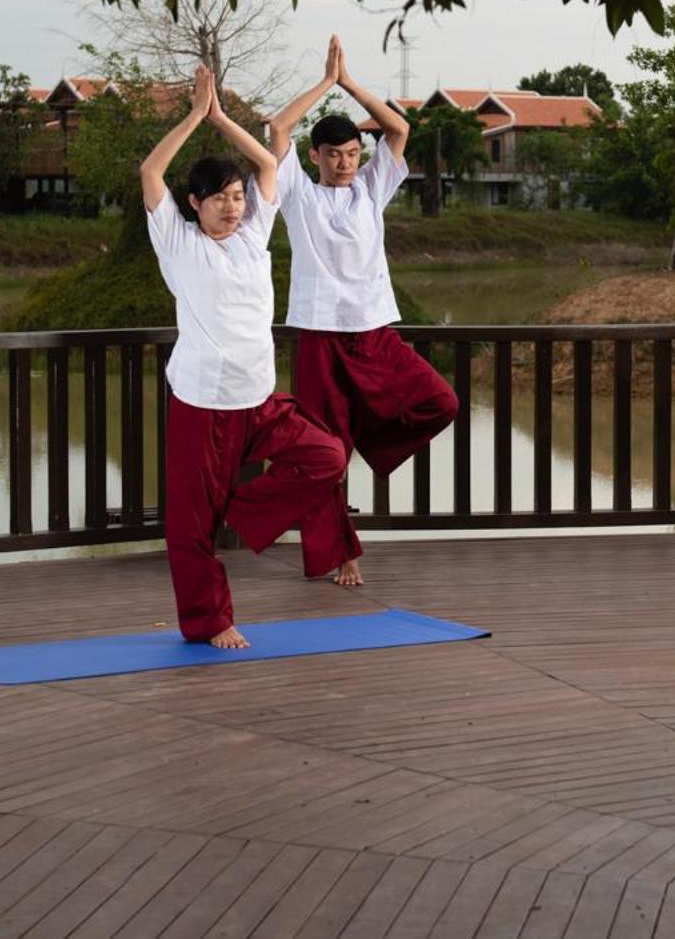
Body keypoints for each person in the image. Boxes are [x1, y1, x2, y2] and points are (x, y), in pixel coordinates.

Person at [141, 64, 354, 648]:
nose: (233, 208)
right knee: (189, 529)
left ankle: (243, 514)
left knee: (327, 457)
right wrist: (193, 117)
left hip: (258, 402)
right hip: (202, 406)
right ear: (195, 204)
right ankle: (212, 622)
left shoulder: (254, 237)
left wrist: (223, 119)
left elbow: (267, 164)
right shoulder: (178, 243)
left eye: (237, 198)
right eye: (219, 200)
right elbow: (150, 170)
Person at [266, 37, 460, 585]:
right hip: (320, 338)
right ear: (315, 157)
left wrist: (350, 83)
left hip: (375, 335)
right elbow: (277, 132)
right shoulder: (300, 197)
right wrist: (324, 85)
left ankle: (368, 441)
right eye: (335, 155)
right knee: (324, 453)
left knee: (441, 401)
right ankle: (341, 554)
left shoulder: (370, 191)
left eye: (353, 154)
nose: (346, 163)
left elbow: (398, 131)